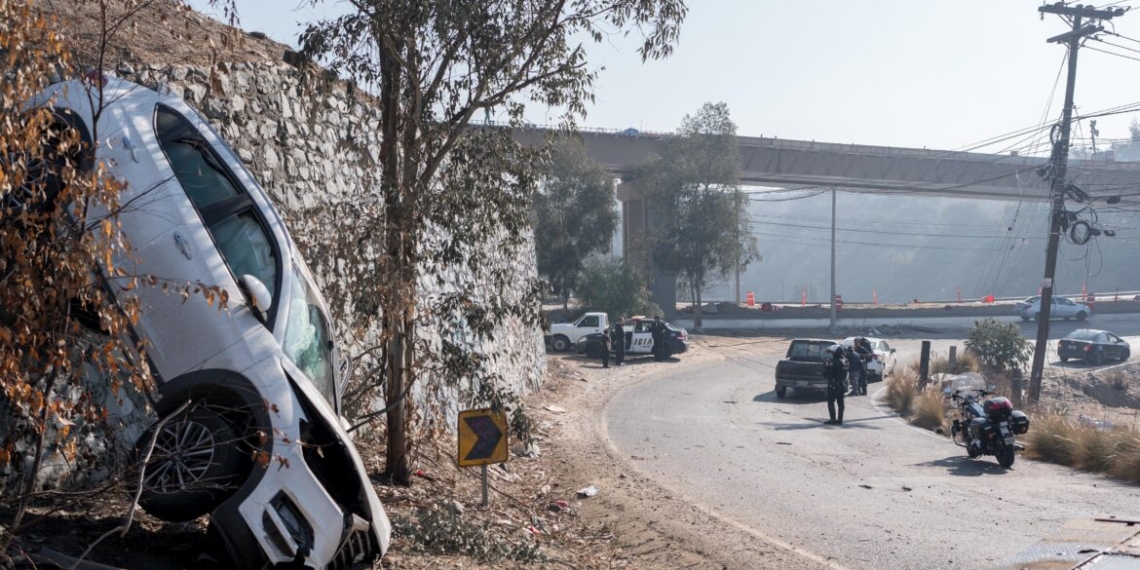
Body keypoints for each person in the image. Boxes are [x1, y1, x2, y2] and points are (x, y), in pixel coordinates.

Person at [824, 344, 847, 425]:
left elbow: (827, 374)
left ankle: (833, 419)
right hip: (843, 384)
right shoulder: (845, 361)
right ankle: (840, 419)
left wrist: (826, 366)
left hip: (834, 384)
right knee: (840, 402)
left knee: (831, 401)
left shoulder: (834, 362)